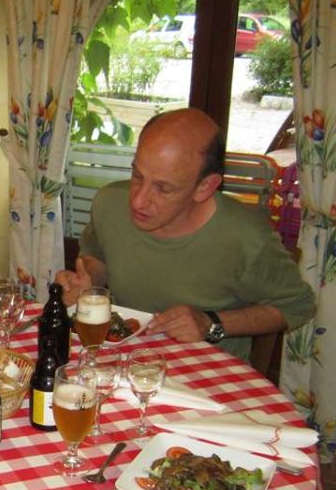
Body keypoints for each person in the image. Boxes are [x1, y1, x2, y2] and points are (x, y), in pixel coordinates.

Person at [55, 108, 314, 363]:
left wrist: (211, 323)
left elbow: (297, 306)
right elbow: (98, 255)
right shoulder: (108, 204)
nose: (138, 201)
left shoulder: (246, 237)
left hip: (207, 374)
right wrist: (89, 280)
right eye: (137, 176)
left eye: (163, 188)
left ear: (204, 187)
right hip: (119, 360)